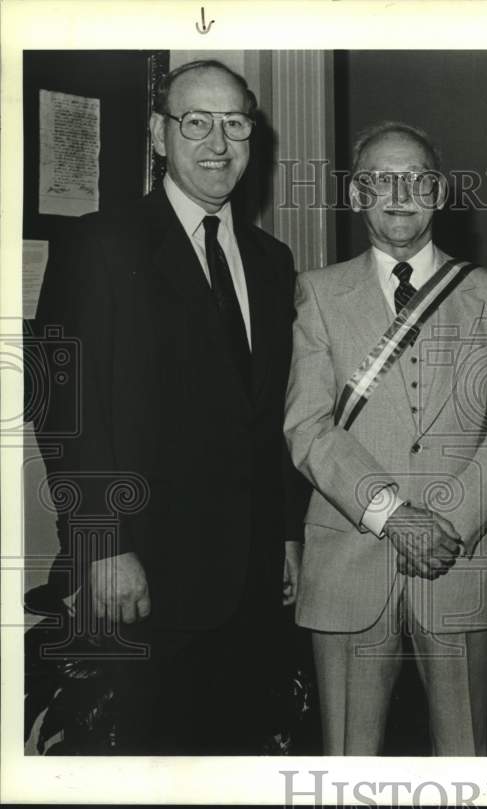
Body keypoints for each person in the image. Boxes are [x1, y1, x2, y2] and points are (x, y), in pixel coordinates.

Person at [33, 60, 307, 753]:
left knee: (239, 759)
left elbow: (269, 414)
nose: (218, 143)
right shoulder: (101, 243)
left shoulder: (274, 262)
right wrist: (103, 545)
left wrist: (284, 535)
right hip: (144, 572)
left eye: (235, 124)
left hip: (250, 582)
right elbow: (66, 407)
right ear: (159, 135)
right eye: (196, 123)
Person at [284, 121, 487, 756]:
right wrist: (395, 516)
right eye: (379, 180)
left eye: (416, 179)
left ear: (441, 192)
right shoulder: (319, 292)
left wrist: (446, 521)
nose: (399, 194)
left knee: (466, 758)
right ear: (354, 195)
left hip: (462, 555)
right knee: (349, 763)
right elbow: (306, 424)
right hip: (349, 557)